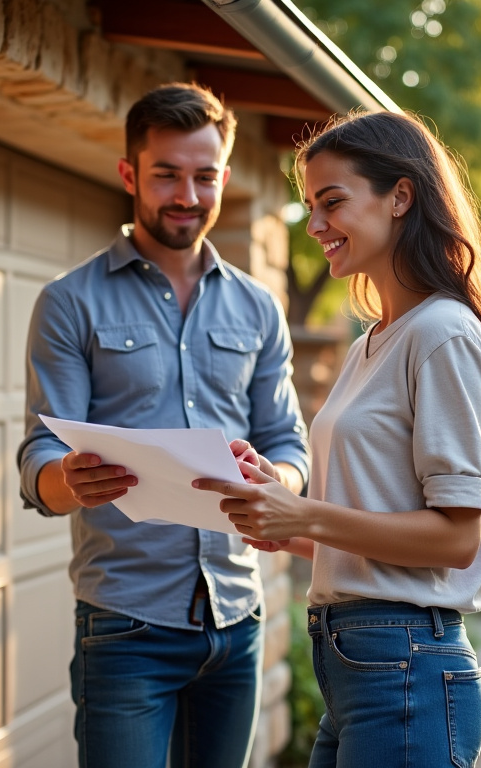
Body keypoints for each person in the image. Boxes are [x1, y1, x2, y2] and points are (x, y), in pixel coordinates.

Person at [194, 110, 481, 768]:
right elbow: (374, 521)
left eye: (331, 202)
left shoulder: (442, 333)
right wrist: (283, 523)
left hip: (404, 665)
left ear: (400, 196)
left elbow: (457, 538)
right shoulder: (371, 343)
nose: (314, 225)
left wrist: (307, 513)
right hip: (357, 667)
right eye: (309, 206)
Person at [16, 82, 311, 768]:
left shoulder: (260, 309)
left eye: (204, 176)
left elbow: (287, 441)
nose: (187, 195)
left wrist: (279, 481)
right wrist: (68, 479)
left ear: (224, 177)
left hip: (236, 620)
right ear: (129, 175)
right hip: (124, 628)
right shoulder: (69, 302)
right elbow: (39, 463)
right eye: (166, 175)